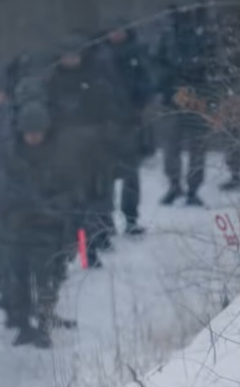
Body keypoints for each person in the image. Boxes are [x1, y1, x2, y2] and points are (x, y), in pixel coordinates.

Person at [0, 104, 76, 347]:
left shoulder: (58, 156)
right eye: (29, 132)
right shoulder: (10, 156)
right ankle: (23, 326)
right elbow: (0, 190)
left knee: (47, 282)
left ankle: (44, 326)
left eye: (37, 131)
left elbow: (70, 193)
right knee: (17, 282)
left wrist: (53, 210)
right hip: (17, 228)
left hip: (47, 229)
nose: (33, 136)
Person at [47, 32, 119, 267]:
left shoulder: (95, 80)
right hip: (62, 155)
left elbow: (108, 114)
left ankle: (90, 251)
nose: (70, 59)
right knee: (66, 207)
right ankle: (67, 251)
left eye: (74, 55)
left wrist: (103, 143)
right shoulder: (52, 82)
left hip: (92, 154)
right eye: (66, 56)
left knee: (91, 206)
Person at [96, 21, 155, 235]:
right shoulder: (99, 57)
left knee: (130, 174)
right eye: (113, 30)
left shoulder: (136, 55)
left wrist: (137, 104)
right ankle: (106, 221)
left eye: (119, 30)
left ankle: (130, 219)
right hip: (104, 125)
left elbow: (148, 84)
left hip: (130, 122)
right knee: (105, 177)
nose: (116, 34)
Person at [156, 5, 216, 206]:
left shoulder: (207, 32)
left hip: (199, 98)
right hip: (173, 97)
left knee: (197, 147)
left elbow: (216, 63)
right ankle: (175, 185)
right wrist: (167, 85)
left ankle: (192, 188)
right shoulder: (169, 33)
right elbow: (158, 63)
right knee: (172, 146)